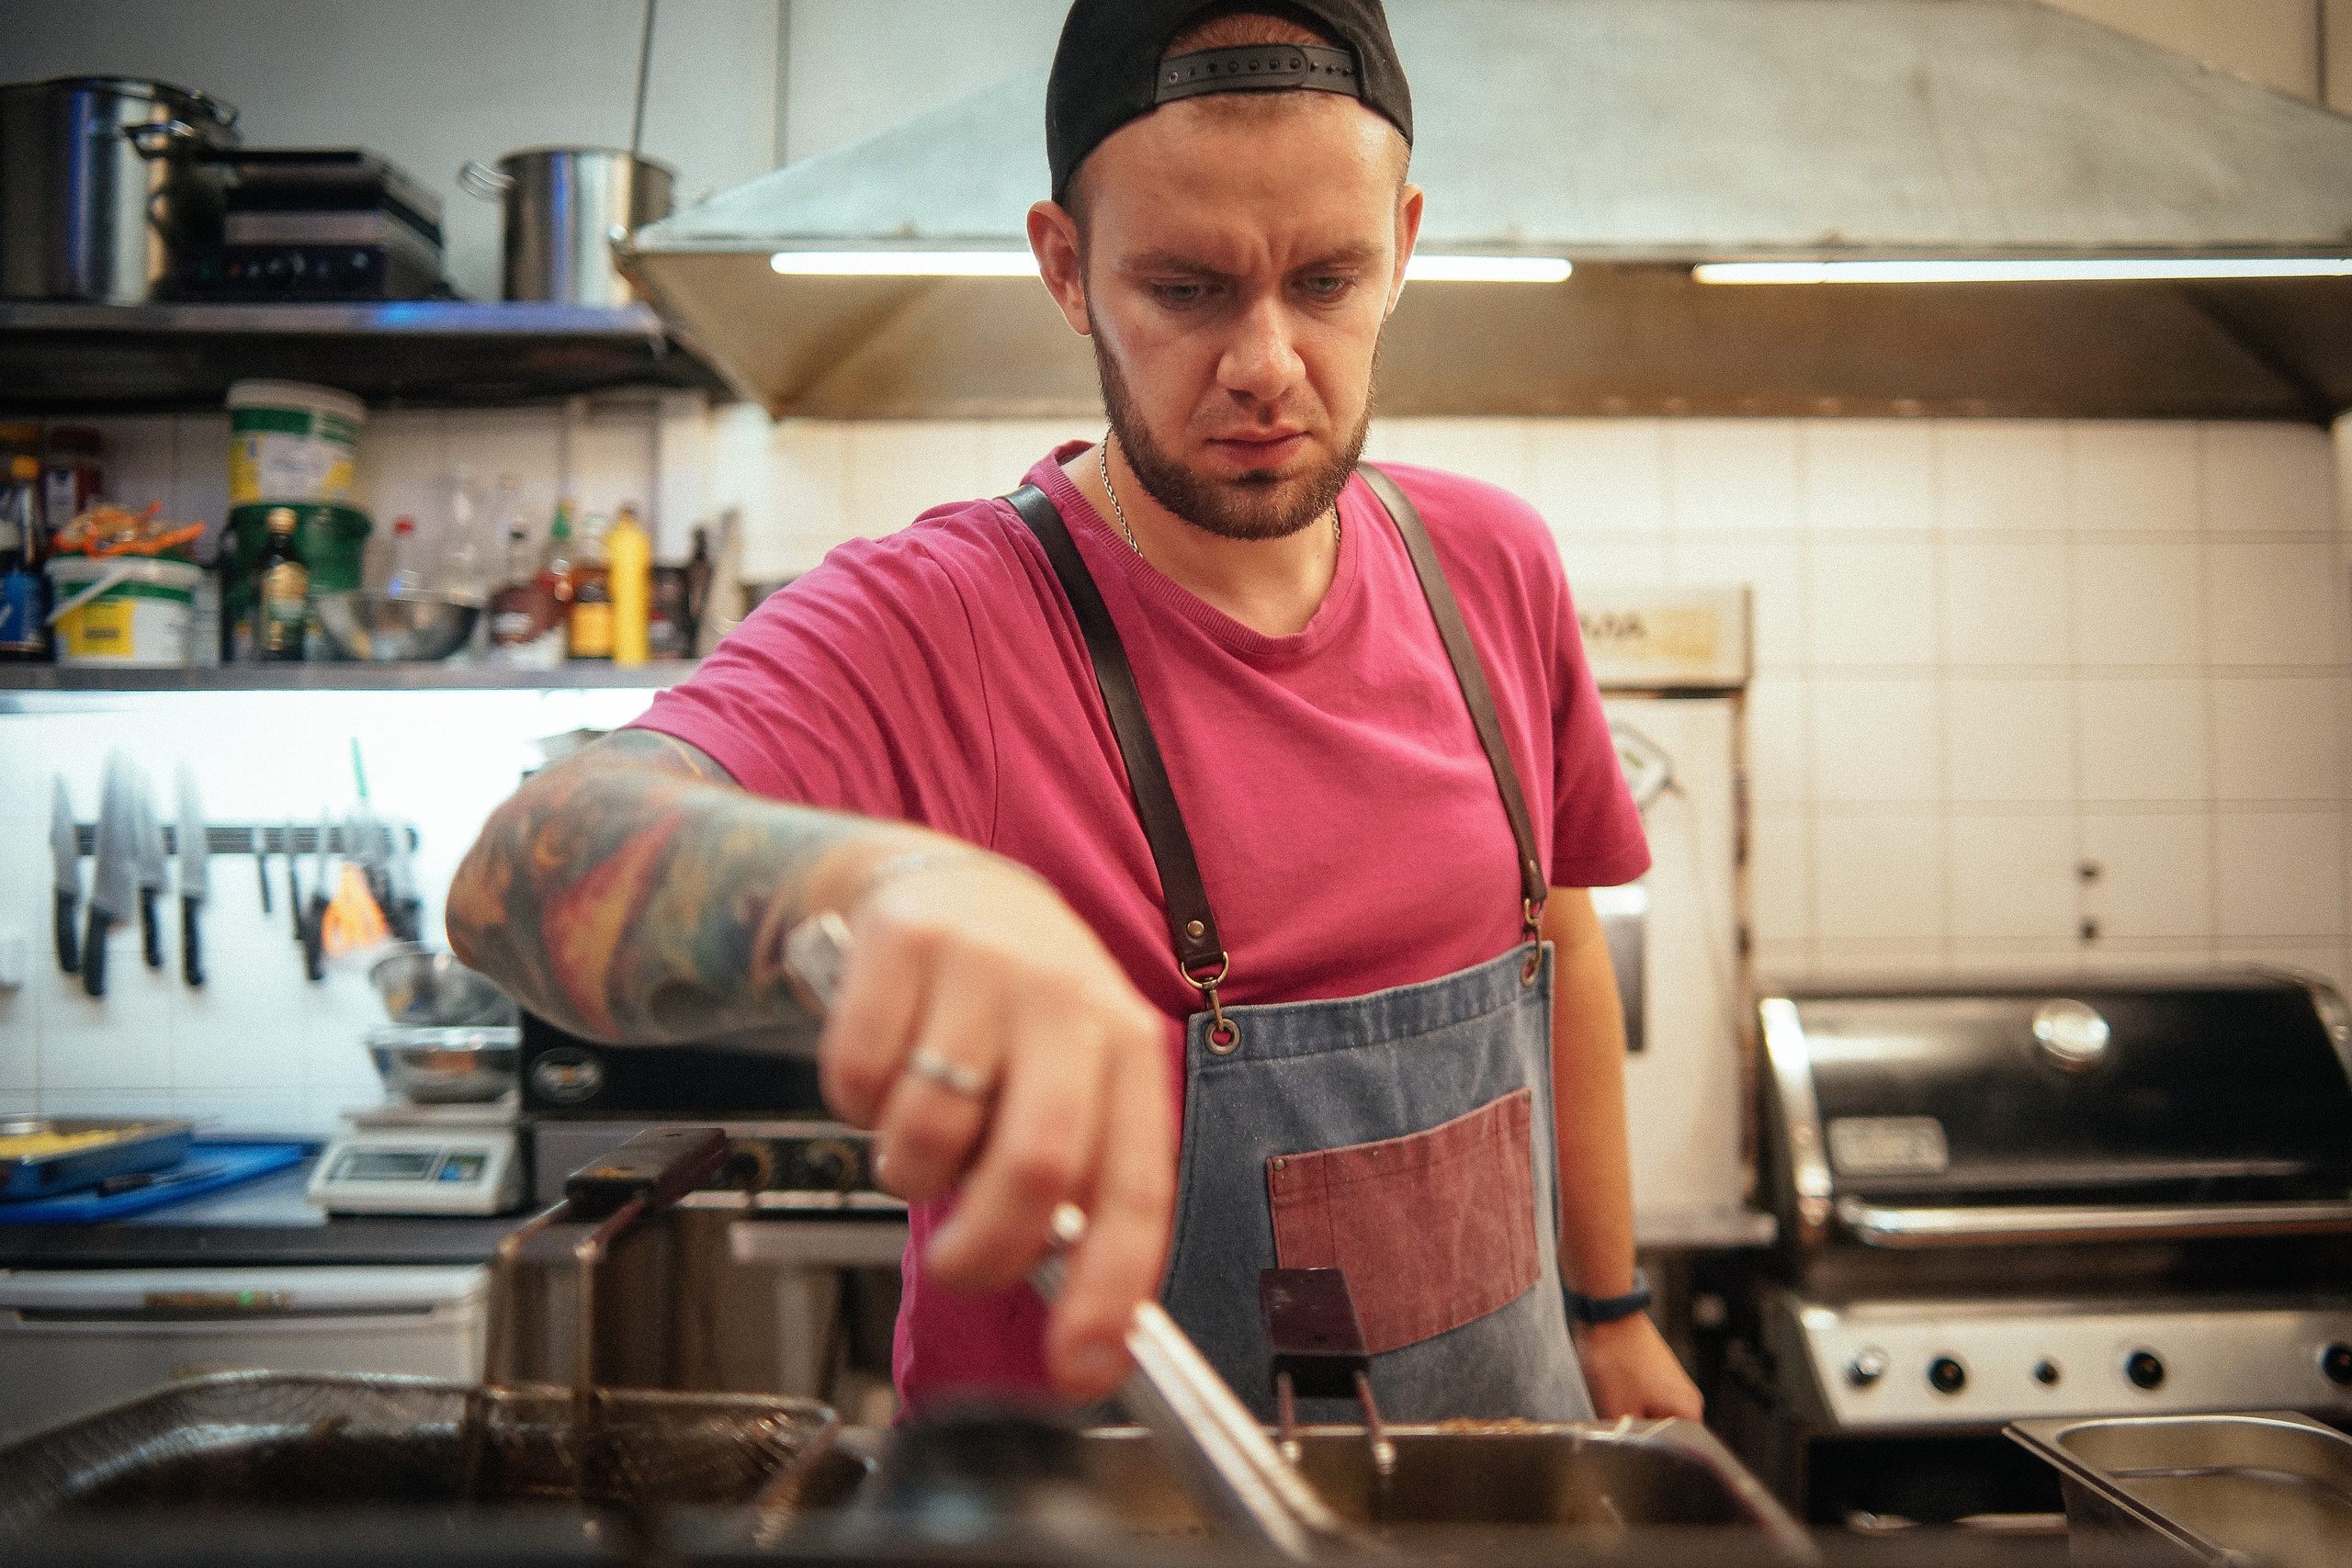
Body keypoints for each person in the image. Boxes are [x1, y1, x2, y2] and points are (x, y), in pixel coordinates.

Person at [448, 0, 1702, 1424]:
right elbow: (521, 870)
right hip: (1089, 1513)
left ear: (1404, 245)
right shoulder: (943, 621)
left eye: (1330, 280)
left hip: (1493, 1478)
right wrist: (875, 876)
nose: (1267, 364)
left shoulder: (1494, 563)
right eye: (1185, 289)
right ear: (1066, 269)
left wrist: (1611, 1311)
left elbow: (1563, 939)